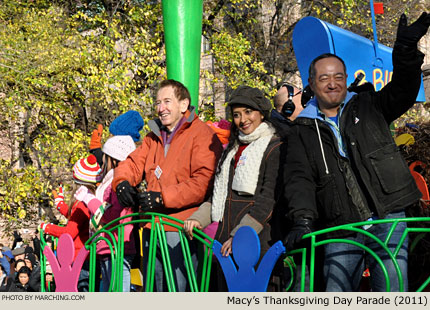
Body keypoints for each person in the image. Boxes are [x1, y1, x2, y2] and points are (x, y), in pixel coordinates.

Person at [283, 12, 430, 292]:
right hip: (340, 224)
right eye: (324, 78)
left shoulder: (369, 105)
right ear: (312, 84)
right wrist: (302, 219)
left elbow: (404, 89)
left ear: (346, 78)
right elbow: (298, 179)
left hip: (387, 217)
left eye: (338, 76)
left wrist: (405, 51)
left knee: (391, 294)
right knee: (336, 294)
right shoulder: (302, 129)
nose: (332, 83)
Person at [112, 79, 223, 292]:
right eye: (157, 102)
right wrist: (122, 182)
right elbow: (133, 163)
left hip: (180, 229)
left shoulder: (201, 134)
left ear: (183, 104)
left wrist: (162, 197)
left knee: (179, 289)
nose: (161, 108)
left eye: (167, 101)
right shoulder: (153, 137)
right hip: (152, 228)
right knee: (154, 290)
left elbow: (203, 182)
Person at [184, 85, 283, 291]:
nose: (243, 119)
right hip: (225, 239)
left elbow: (268, 197)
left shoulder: (273, 146)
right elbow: (218, 194)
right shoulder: (233, 149)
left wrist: (241, 234)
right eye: (237, 115)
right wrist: (198, 218)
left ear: (261, 114)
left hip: (256, 241)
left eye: (249, 112)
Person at [40, 154, 103, 292]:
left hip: (81, 260)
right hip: (89, 258)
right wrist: (60, 204)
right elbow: (75, 216)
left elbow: (69, 232)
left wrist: (47, 227)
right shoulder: (90, 200)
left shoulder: (81, 204)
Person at [89, 135, 137, 292]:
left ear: (113, 159)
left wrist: (91, 202)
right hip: (107, 245)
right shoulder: (109, 181)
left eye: (105, 157)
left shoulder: (117, 183)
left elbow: (118, 213)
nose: (103, 161)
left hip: (117, 246)